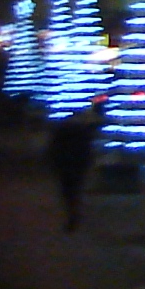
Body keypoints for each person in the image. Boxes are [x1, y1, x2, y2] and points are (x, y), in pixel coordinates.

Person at [43, 94, 102, 229]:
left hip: (65, 162)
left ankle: (73, 213)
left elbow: (54, 146)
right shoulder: (85, 129)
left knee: (68, 191)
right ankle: (75, 213)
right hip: (78, 162)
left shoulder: (62, 128)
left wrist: (51, 160)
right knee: (76, 188)